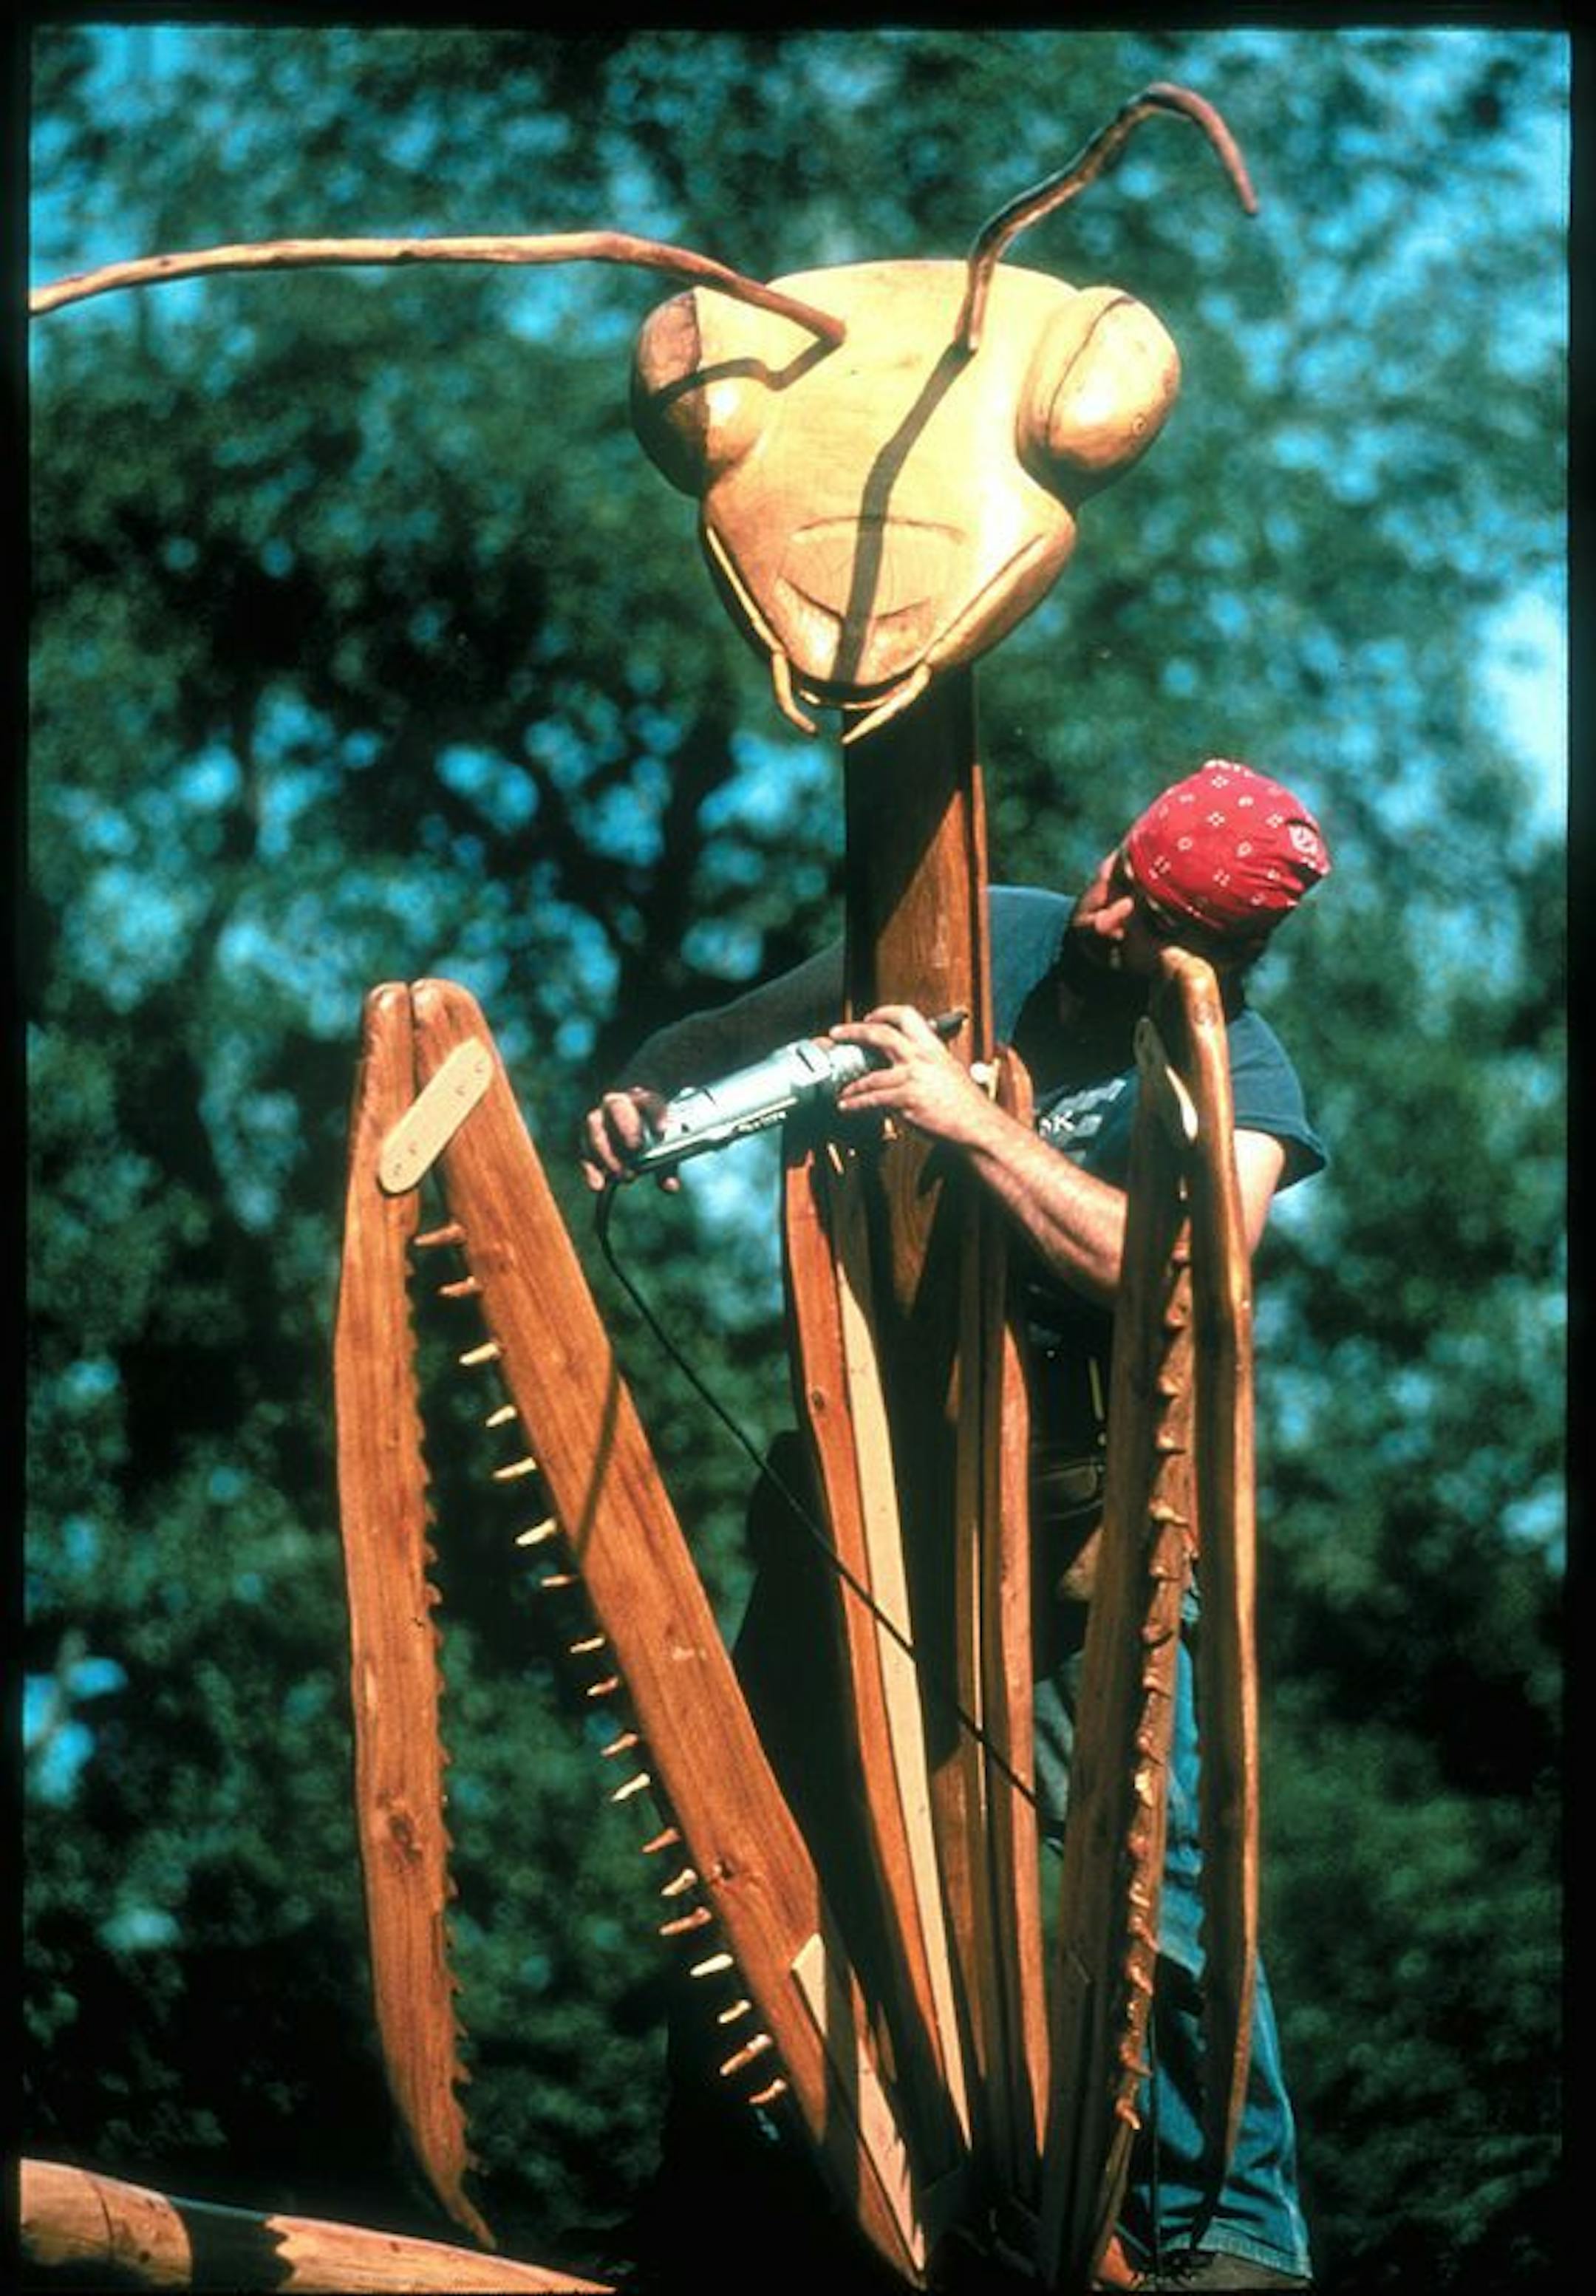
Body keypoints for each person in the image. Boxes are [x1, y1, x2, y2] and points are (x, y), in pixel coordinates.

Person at [581, 758, 1330, 2294]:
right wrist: (657, 1083)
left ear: (1219, 958)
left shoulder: (1238, 1071)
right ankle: (713, 2209)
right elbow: (730, 1032)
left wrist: (971, 1126)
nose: (1103, 907)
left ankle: (1225, 2228)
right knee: (749, 1826)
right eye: (1119, 866)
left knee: (1146, 1875)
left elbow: (1184, 1275)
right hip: (860, 1503)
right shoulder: (982, 924)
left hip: (1076, 1549)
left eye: (1150, 910)